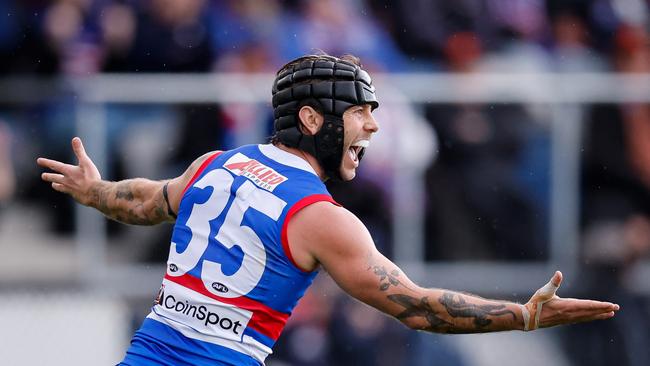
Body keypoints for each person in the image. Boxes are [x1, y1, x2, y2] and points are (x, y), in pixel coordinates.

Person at [37, 54, 619, 366]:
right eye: (361, 112)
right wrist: (522, 316)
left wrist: (97, 191)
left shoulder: (217, 163)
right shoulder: (319, 217)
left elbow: (144, 201)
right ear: (313, 119)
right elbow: (419, 309)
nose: (372, 125)